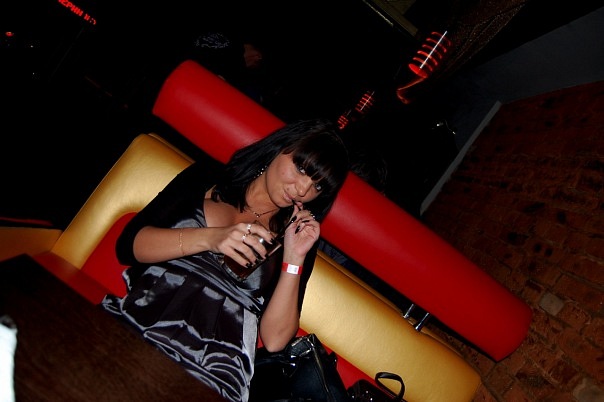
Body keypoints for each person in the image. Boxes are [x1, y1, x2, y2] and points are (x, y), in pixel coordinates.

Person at [101, 118, 349, 402]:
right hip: (143, 322)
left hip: (217, 367)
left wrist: (294, 258)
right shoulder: (208, 177)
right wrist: (212, 238)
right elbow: (128, 246)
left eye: (317, 186)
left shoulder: (295, 235)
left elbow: (275, 340)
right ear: (281, 147)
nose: (303, 189)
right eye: (302, 169)